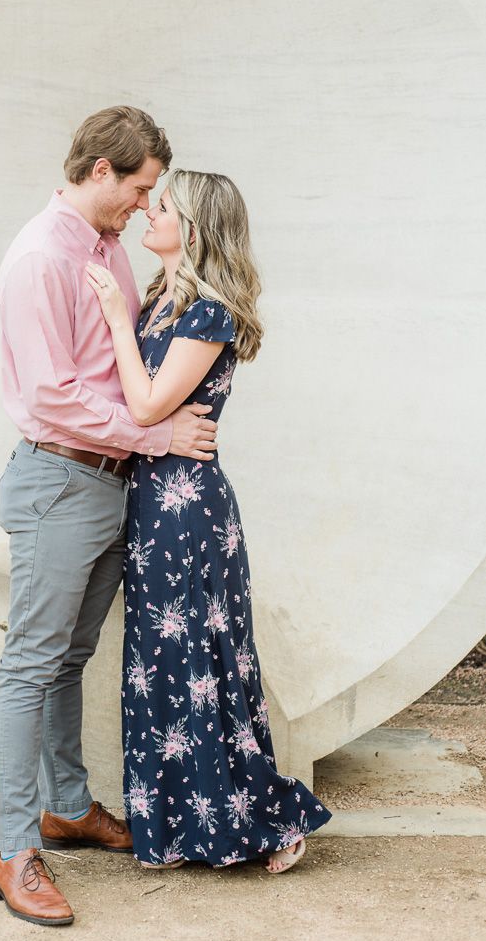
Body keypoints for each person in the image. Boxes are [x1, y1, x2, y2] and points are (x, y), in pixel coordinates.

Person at [0, 108, 219, 926]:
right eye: (139, 188)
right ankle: (14, 852)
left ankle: (68, 808)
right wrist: (155, 435)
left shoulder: (108, 249)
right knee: (29, 665)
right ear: (99, 171)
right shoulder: (41, 258)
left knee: (69, 658)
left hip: (111, 480)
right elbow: (52, 396)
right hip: (59, 480)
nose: (144, 204)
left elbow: (123, 367)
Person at [85, 168, 332, 873]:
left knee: (205, 662)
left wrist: (114, 320)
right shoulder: (160, 302)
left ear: (192, 230)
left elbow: (145, 406)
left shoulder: (207, 314)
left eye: (161, 206)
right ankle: (176, 830)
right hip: (151, 503)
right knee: (160, 665)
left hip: (188, 511)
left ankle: (271, 823)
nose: (148, 213)